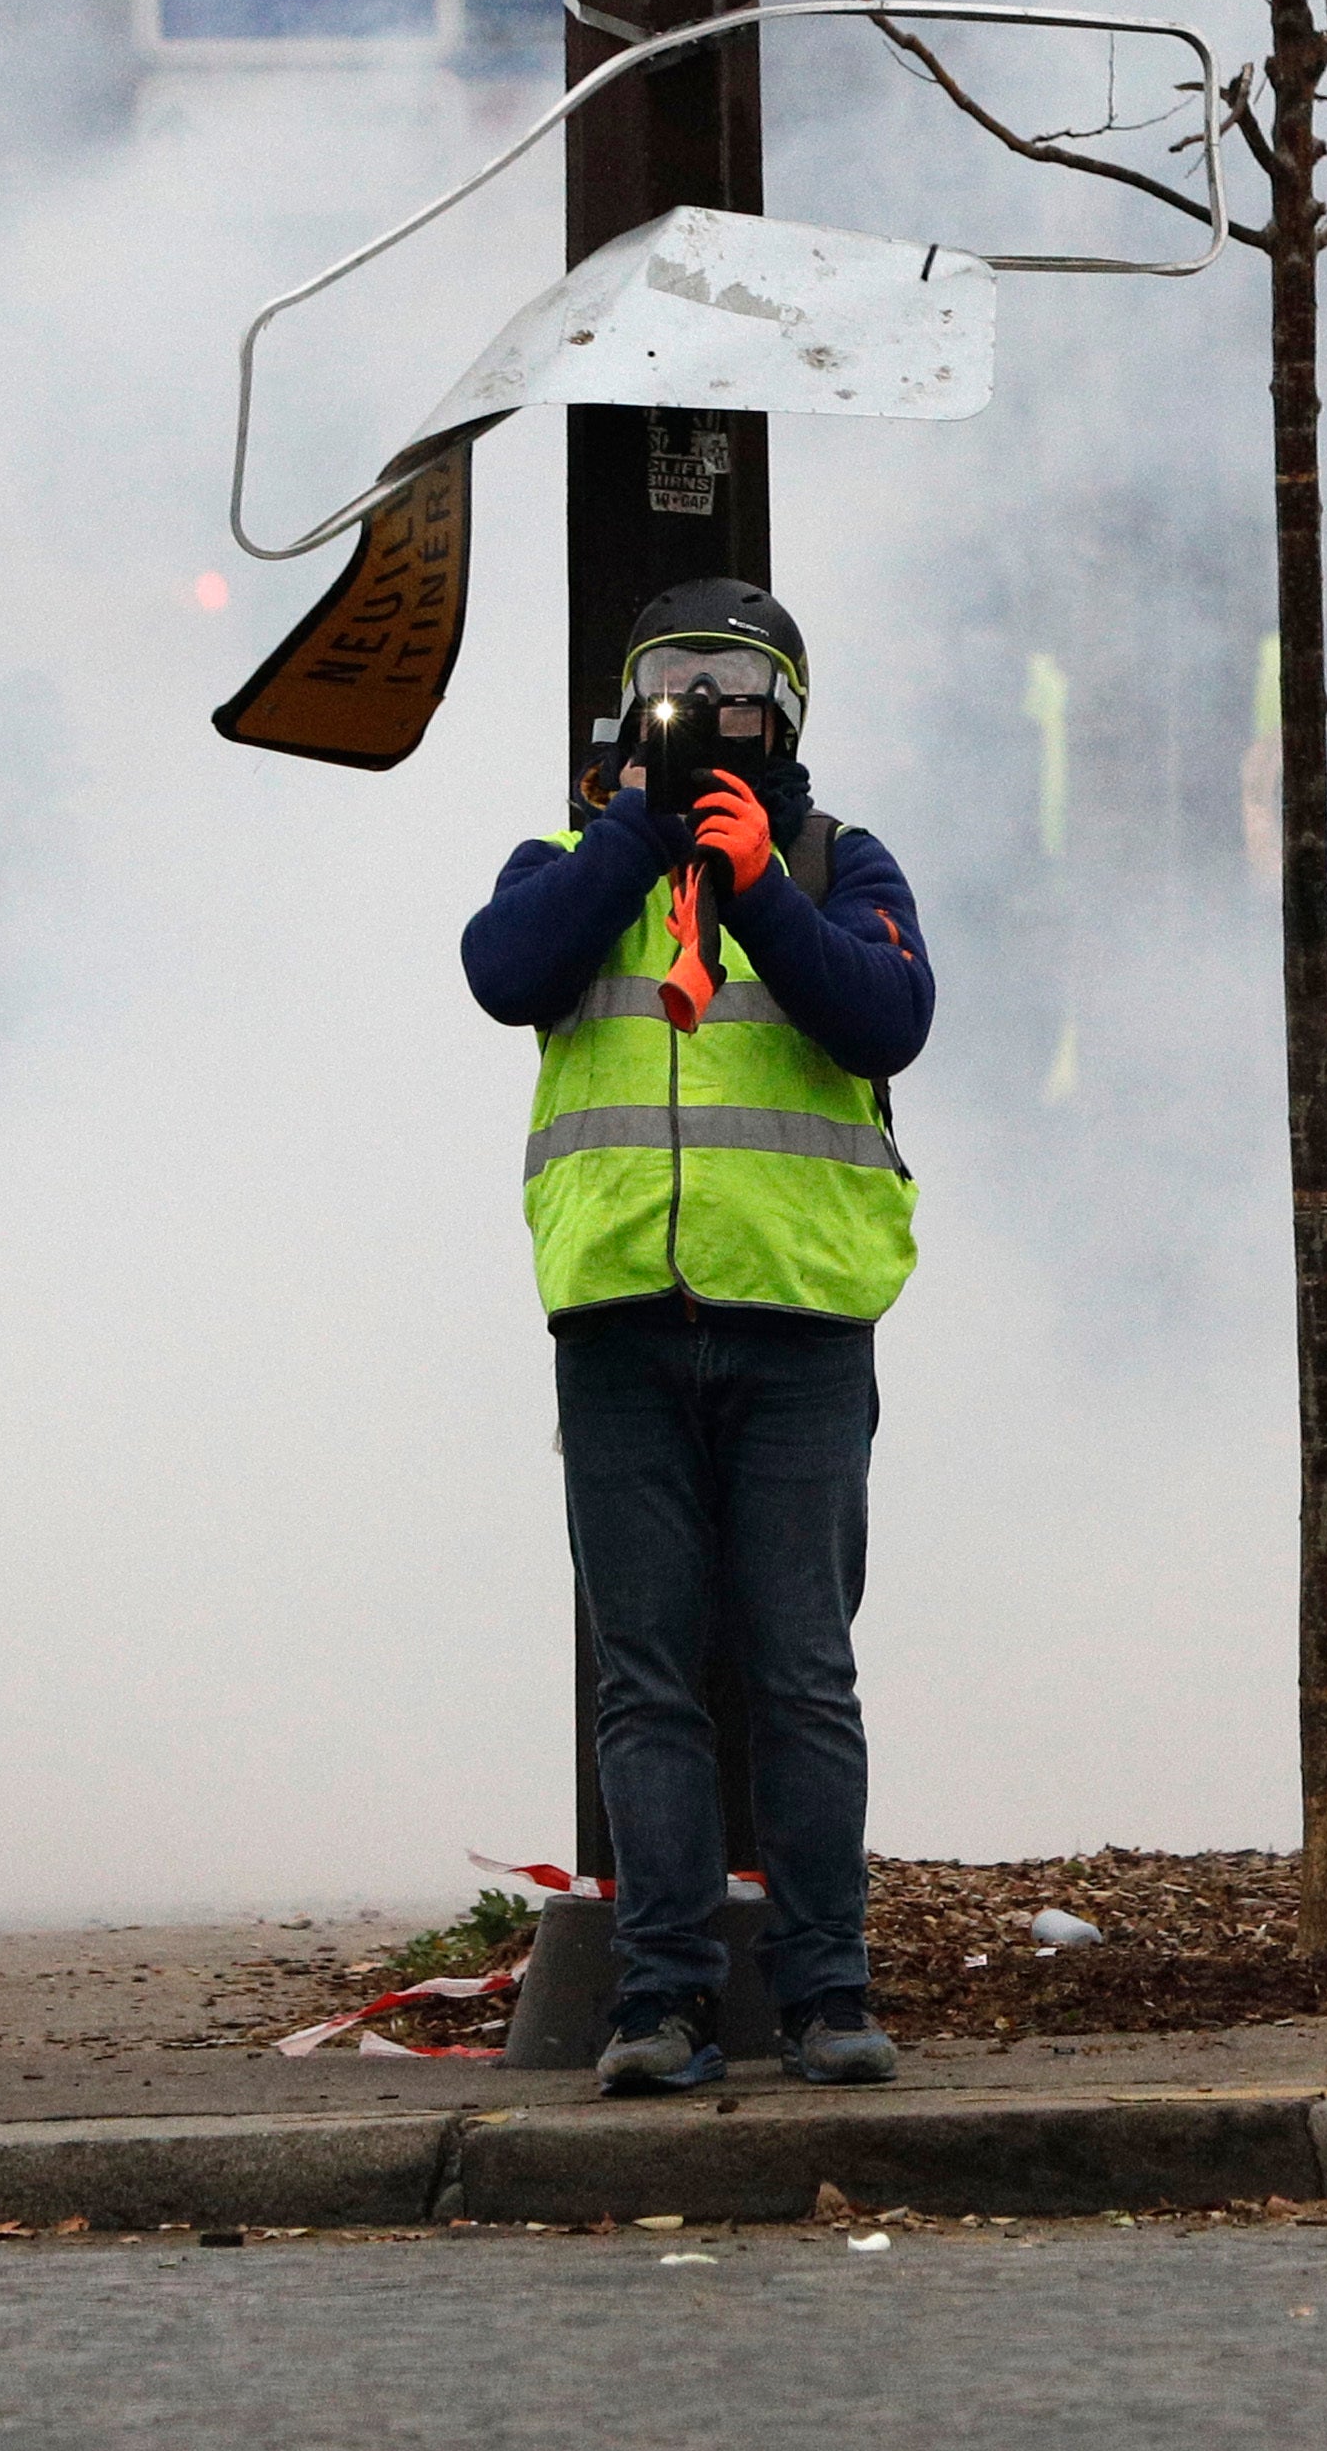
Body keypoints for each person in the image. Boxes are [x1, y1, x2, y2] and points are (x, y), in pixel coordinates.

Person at [453, 577, 933, 2094]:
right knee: (648, 1674)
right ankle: (657, 2003)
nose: (705, 714)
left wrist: (762, 891)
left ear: (788, 717)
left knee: (799, 1668)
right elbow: (502, 971)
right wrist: (632, 840)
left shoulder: (837, 862)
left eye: (738, 693)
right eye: (679, 690)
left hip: (796, 1323)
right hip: (618, 1329)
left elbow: (888, 1020)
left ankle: (825, 1995)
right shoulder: (574, 859)